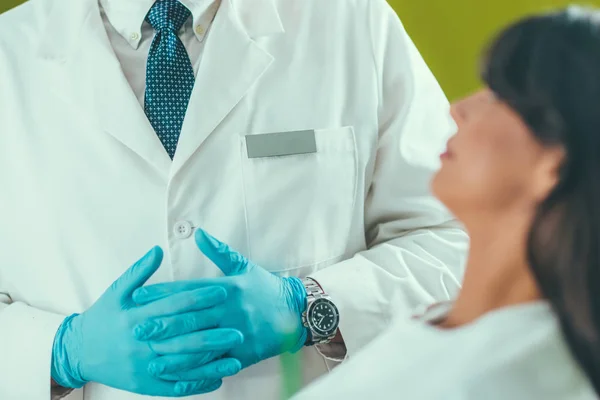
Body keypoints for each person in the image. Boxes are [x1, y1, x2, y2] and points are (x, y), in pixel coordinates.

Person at [0, 0, 468, 399]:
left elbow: (462, 241)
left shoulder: (351, 21)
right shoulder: (10, 52)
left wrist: (309, 307)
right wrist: (60, 350)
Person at [292, 6, 600, 400]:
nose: (458, 108)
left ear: (554, 162)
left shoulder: (520, 379)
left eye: (499, 96)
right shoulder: (440, 327)